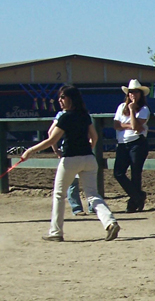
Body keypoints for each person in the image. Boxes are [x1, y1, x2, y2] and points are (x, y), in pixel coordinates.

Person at [20, 85, 120, 242]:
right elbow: (94, 137)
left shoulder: (65, 117)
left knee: (59, 195)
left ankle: (56, 232)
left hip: (70, 159)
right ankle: (110, 222)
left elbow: (52, 139)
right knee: (93, 195)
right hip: (88, 158)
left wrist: (30, 151)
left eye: (63, 97)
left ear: (71, 99)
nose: (59, 100)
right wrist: (88, 149)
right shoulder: (84, 116)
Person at [113, 79, 151, 212]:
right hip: (123, 144)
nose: (132, 95)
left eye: (135, 92)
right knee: (118, 172)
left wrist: (132, 110)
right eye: (130, 92)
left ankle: (133, 202)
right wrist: (130, 126)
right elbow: (116, 125)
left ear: (140, 94)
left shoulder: (144, 109)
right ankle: (138, 196)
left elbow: (136, 126)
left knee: (136, 173)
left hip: (137, 143)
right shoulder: (120, 107)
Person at [47, 110, 90, 217]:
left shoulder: (63, 115)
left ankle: (77, 208)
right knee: (88, 183)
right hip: (83, 151)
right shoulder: (83, 114)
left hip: (70, 151)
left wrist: (56, 150)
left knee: (72, 181)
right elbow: (92, 134)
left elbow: (50, 133)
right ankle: (89, 206)